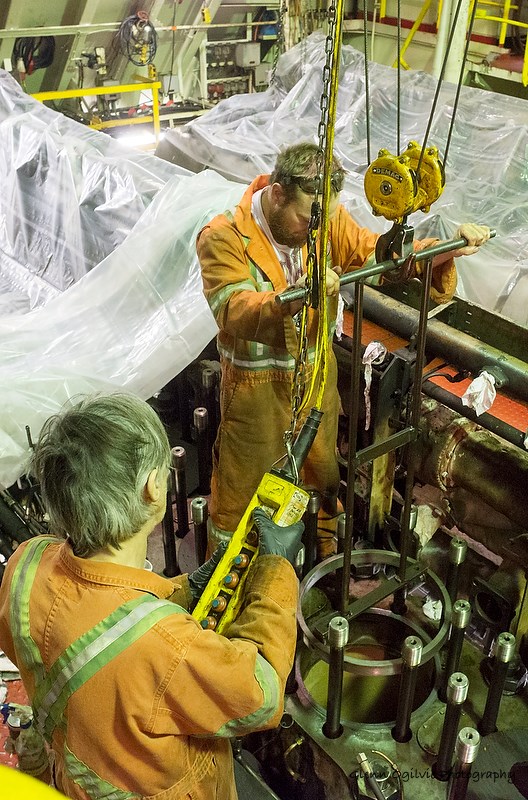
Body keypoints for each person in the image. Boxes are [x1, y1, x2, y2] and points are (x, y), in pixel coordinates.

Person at [0, 393, 304, 800]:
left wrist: (179, 591)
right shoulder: (166, 646)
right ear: (153, 488)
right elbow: (261, 693)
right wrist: (275, 571)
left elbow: (95, 618)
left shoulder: (25, 562)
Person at [197, 141, 491, 559]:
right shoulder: (224, 236)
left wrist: (444, 249)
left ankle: (320, 567)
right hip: (256, 397)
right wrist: (300, 295)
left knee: (321, 481)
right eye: (304, 219)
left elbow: (376, 255)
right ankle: (225, 587)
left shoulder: (324, 221)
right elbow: (234, 309)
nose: (313, 230)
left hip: (318, 384)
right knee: (242, 496)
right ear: (277, 194)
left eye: (321, 220)